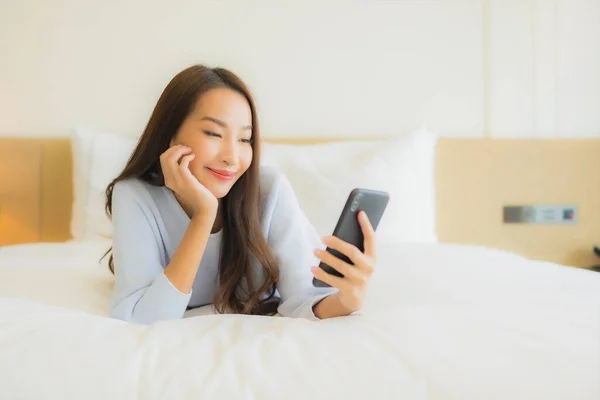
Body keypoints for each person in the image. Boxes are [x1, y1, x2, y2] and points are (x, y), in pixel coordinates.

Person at [103, 65, 378, 324]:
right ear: (170, 135)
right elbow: (142, 319)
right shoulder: (134, 196)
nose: (232, 157)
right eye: (213, 133)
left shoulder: (268, 190)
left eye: (244, 139)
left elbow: (303, 299)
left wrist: (347, 301)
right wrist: (203, 215)